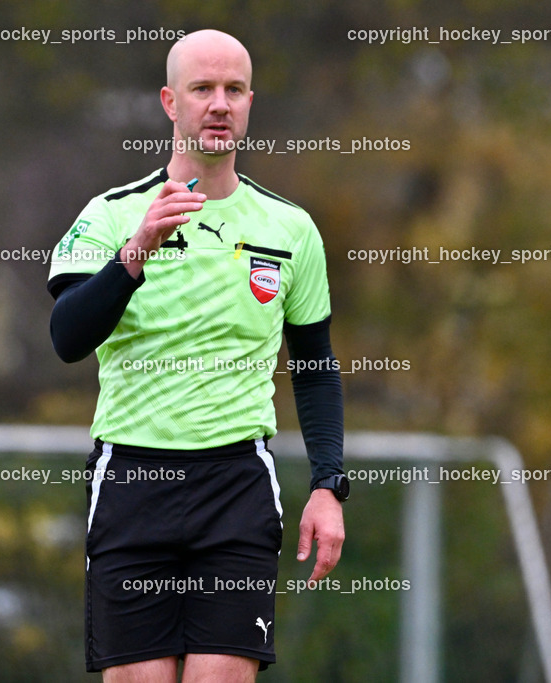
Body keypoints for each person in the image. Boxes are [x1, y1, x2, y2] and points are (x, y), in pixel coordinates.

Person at [47, 29, 347, 683]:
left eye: (234, 89)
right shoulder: (109, 215)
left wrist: (328, 484)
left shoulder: (289, 228)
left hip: (235, 486)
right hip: (132, 481)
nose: (219, 103)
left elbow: (316, 366)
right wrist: (137, 252)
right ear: (169, 102)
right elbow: (67, 337)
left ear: (248, 104)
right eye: (202, 89)